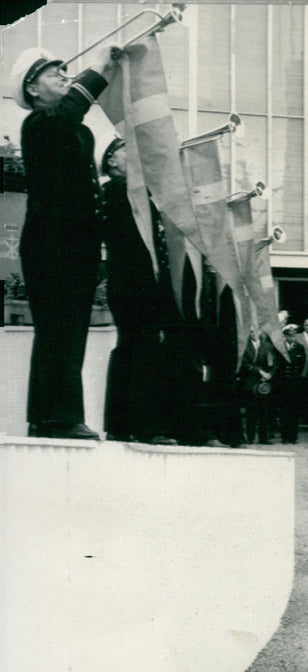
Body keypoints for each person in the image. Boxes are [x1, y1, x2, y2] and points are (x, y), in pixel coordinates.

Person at [12, 45, 119, 439]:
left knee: (67, 332)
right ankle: (61, 416)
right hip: (50, 245)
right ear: (33, 90)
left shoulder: (77, 129)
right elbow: (68, 113)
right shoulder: (40, 123)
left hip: (76, 245)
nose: (61, 74)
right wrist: (99, 72)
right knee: (59, 330)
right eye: (51, 72)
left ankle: (46, 418)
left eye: (61, 70)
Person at [98, 137, 178, 445]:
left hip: (137, 279)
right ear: (112, 163)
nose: (133, 155)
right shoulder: (118, 189)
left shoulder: (131, 191)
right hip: (132, 280)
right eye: (124, 151)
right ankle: (144, 425)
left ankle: (121, 424)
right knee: (141, 348)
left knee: (132, 348)